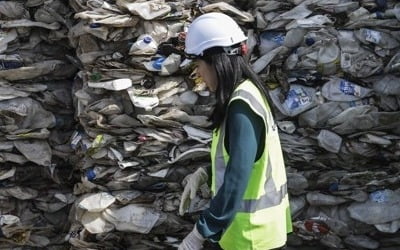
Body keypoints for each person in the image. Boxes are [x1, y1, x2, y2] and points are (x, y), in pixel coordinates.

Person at [178, 12, 292, 250]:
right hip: (254, 235)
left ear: (216, 62)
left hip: (251, 236)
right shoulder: (248, 94)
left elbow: (237, 178)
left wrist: (201, 232)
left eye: (199, 65)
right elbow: (243, 159)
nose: (198, 73)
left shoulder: (242, 106)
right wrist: (205, 173)